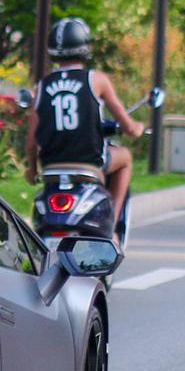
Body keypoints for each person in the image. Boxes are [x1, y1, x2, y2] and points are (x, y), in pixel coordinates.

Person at [33, 17, 147, 230]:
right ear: (85, 47)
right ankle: (111, 224)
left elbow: (32, 136)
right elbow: (127, 125)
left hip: (51, 166)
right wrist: (136, 129)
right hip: (88, 164)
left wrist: (31, 169)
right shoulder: (96, 80)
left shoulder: (42, 85)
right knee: (126, 158)